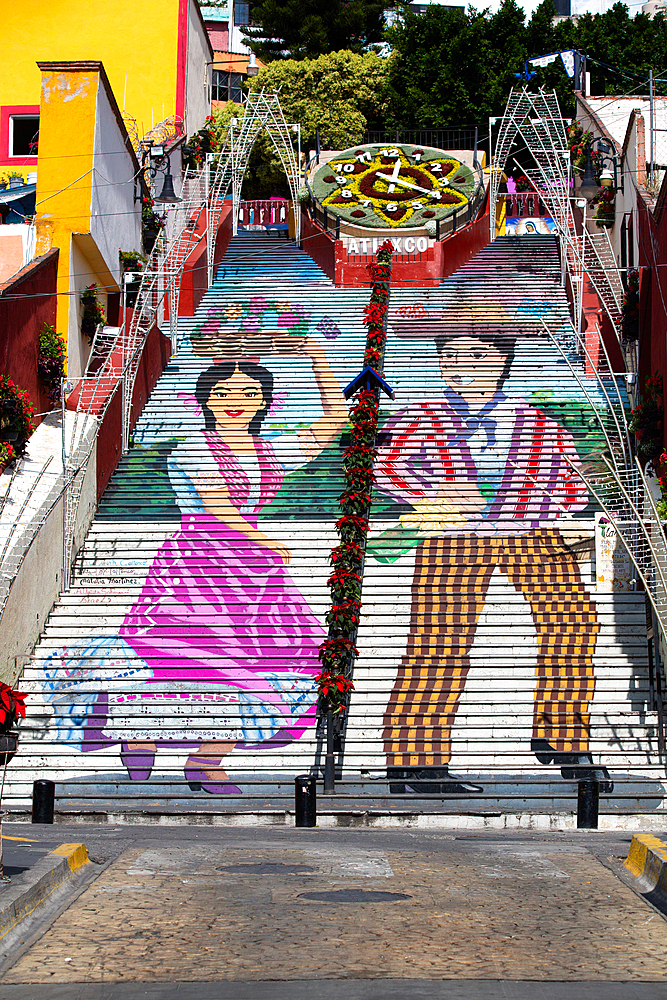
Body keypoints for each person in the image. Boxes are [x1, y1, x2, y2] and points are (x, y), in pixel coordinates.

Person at [68, 341, 347, 793]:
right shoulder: (193, 449)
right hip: (199, 567)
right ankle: (140, 736)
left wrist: (315, 355)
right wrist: (267, 540)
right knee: (185, 659)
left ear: (265, 401)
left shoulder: (269, 449)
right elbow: (218, 506)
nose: (237, 403)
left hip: (256, 577)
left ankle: (208, 758)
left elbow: (335, 419)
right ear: (204, 399)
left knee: (280, 661)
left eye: (250, 394)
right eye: (224, 394)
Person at [375, 320, 612, 795]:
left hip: (526, 533)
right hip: (452, 532)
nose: (462, 370)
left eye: (477, 357)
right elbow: (381, 467)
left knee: (574, 617)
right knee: (440, 631)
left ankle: (562, 737)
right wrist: (432, 494)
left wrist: (575, 491)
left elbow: (566, 488)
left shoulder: (535, 422)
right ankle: (412, 758)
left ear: (504, 362)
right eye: (451, 358)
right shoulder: (419, 418)